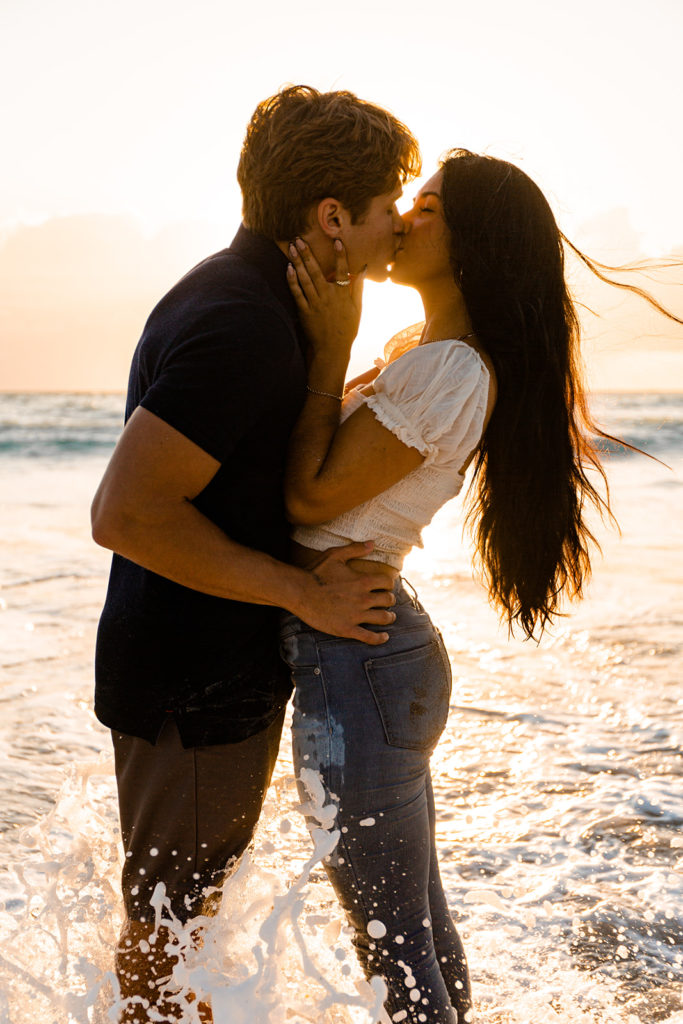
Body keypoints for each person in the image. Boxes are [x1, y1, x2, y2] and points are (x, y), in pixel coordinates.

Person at [279, 149, 682, 1023]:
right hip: (370, 654)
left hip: (360, 661)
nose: (403, 218)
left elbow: (308, 495)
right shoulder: (421, 352)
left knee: (393, 952)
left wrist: (328, 341)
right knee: (413, 939)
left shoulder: (451, 368)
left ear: (473, 243)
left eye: (426, 207)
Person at [90, 85, 421, 1023]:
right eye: (385, 205)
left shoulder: (258, 304)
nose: (395, 223)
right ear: (331, 217)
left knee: (181, 916)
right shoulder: (242, 323)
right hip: (191, 681)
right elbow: (124, 512)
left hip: (198, 665)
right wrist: (299, 593)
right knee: (170, 930)